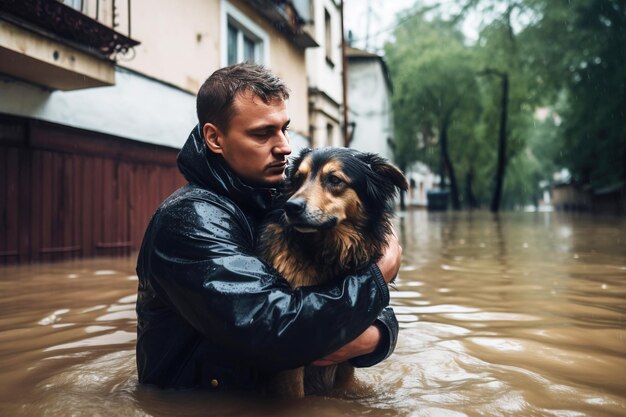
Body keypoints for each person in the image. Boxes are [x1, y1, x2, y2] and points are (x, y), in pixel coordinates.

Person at [135, 63, 401, 390]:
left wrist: (376, 336)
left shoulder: (278, 201)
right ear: (215, 138)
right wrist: (380, 271)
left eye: (284, 128)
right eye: (263, 133)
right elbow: (272, 329)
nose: (284, 146)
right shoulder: (188, 221)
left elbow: (340, 297)